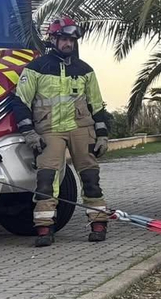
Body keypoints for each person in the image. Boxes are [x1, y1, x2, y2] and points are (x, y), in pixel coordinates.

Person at [10, 16, 112, 246]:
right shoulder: (36, 68)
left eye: (72, 40)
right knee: (47, 178)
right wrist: (29, 133)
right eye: (64, 39)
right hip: (50, 130)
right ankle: (44, 228)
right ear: (53, 39)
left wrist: (102, 134)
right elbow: (20, 102)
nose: (69, 44)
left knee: (90, 176)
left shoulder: (85, 70)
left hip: (81, 129)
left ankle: (98, 223)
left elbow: (96, 104)